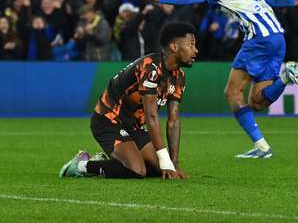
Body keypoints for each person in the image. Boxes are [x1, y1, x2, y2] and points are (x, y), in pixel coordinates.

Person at [131, 0, 298, 158]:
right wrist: (295, 1)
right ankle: (284, 80)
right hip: (277, 38)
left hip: (258, 39)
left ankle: (261, 147)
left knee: (232, 93)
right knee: (257, 101)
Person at [59, 22, 197, 179]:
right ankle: (82, 165)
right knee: (138, 170)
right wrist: (165, 160)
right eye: (191, 45)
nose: (196, 50)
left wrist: (173, 163)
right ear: (174, 47)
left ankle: (112, 161)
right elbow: (151, 116)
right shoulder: (151, 68)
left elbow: (173, 121)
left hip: (134, 127)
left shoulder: (179, 77)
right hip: (108, 120)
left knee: (160, 169)